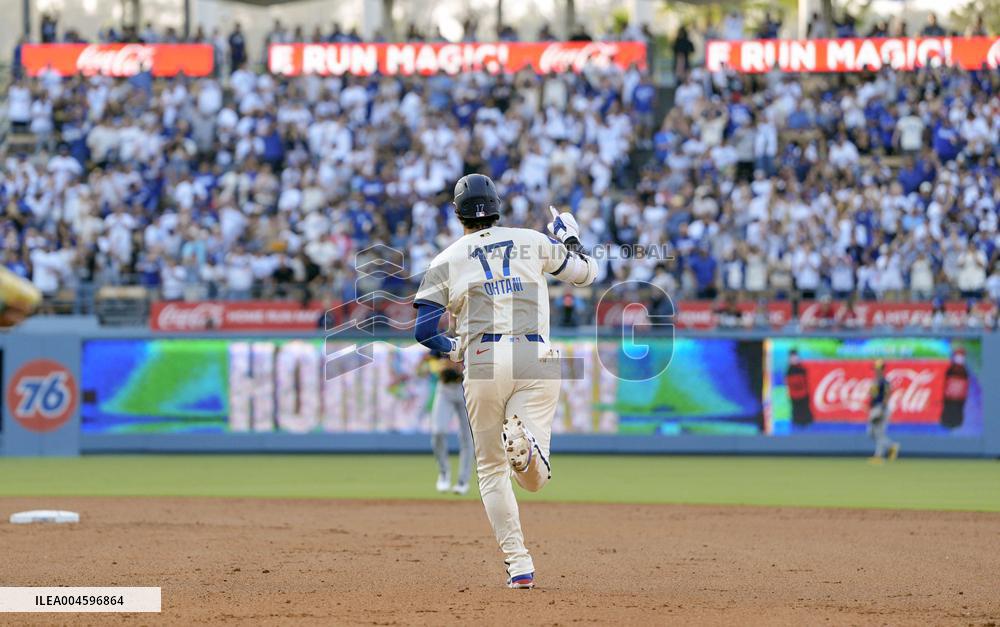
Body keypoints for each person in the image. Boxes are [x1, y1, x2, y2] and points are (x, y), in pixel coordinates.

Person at [413, 174, 597, 589]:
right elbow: (587, 273)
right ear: (497, 206)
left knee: (491, 469)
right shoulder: (530, 239)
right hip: (537, 354)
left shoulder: (447, 258)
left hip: (483, 357)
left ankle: (519, 565)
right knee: (536, 479)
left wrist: (453, 346)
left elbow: (423, 330)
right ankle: (528, 452)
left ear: (457, 213)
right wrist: (570, 238)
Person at [427, 351, 474, 495]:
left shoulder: (473, 336)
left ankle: (463, 480)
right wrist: (440, 367)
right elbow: (432, 359)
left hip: (467, 388)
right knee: (438, 431)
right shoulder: (445, 335)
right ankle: (443, 473)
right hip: (445, 388)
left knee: (467, 436)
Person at [867, 360, 900, 463]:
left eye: (878, 369)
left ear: (882, 369)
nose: (876, 371)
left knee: (878, 432)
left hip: (880, 408)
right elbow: (872, 395)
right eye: (876, 369)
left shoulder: (884, 381)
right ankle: (891, 446)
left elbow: (887, 394)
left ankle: (878, 456)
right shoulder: (876, 380)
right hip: (875, 408)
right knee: (872, 432)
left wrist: (882, 408)